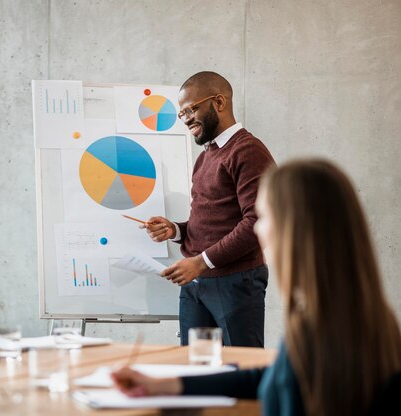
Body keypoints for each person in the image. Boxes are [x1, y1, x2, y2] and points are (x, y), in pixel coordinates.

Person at [113, 159, 401, 416]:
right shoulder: (354, 316)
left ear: (294, 229)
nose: (257, 230)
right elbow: (274, 376)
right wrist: (168, 384)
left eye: (264, 218)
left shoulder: (325, 326)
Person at [143, 71, 275, 346]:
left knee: (242, 372)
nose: (187, 118)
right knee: (195, 373)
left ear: (219, 102)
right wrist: (175, 230)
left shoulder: (248, 151)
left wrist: (200, 262)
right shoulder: (205, 157)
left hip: (235, 282)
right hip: (196, 284)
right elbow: (211, 220)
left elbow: (258, 222)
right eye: (182, 114)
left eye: (191, 109)